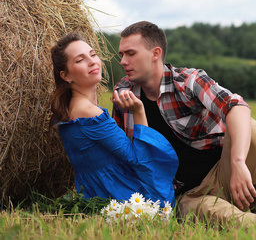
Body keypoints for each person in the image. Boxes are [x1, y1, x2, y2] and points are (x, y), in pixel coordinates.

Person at [112, 21, 256, 230]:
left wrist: (238, 162)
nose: (122, 61)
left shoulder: (187, 82)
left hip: (223, 171)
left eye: (130, 53)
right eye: (121, 54)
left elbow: (237, 106)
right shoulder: (123, 93)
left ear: (155, 53)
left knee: (251, 127)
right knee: (222, 216)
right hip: (187, 194)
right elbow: (123, 151)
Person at [49, 32, 178, 205]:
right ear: (66, 76)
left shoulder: (73, 107)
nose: (92, 61)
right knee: (163, 197)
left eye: (93, 54)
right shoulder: (89, 113)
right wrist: (138, 110)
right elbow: (139, 160)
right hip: (120, 194)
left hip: (99, 192)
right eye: (80, 60)